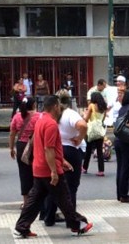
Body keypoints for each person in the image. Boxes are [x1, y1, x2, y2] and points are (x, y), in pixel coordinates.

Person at [13, 95, 92, 238]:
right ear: (55, 106)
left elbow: (48, 148)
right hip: (48, 169)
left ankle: (22, 226)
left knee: (34, 200)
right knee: (64, 199)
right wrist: (54, 171)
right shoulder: (50, 124)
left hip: (39, 167)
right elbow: (48, 149)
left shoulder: (40, 120)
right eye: (59, 107)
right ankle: (77, 224)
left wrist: (62, 160)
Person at [42, 90, 87, 227]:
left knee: (54, 186)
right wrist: (80, 138)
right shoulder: (70, 114)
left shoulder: (51, 116)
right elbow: (83, 125)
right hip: (71, 150)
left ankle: (49, 217)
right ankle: (70, 219)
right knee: (71, 187)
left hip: (57, 151)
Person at [9, 97, 41, 208]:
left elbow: (12, 133)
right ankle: (37, 200)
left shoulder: (17, 116)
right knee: (37, 173)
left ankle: (26, 202)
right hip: (35, 146)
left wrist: (11, 148)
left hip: (22, 146)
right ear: (33, 105)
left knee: (24, 174)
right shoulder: (39, 116)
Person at [82, 92, 107, 176]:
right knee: (99, 151)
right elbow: (102, 119)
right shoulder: (103, 107)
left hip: (91, 131)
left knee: (88, 150)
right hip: (100, 130)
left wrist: (84, 114)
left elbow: (86, 119)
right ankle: (101, 170)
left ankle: (84, 168)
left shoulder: (91, 106)